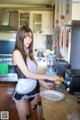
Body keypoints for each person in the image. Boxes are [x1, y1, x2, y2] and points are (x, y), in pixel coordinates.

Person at [12, 26, 59, 120]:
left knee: (34, 116)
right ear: (20, 38)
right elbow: (28, 74)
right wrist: (49, 77)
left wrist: (44, 82)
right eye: (25, 37)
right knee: (26, 118)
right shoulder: (17, 53)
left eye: (30, 37)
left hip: (34, 89)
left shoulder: (29, 51)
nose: (28, 40)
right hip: (22, 92)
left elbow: (34, 72)